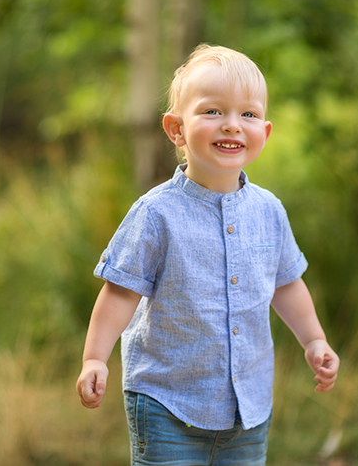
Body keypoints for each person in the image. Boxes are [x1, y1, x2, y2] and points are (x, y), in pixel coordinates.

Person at [76, 44, 339, 466]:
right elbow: (121, 292)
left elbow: (286, 283)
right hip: (166, 403)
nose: (232, 125)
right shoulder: (156, 213)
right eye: (213, 111)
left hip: (246, 408)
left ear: (265, 132)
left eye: (248, 114)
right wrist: (95, 358)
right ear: (176, 129)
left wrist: (314, 340)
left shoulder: (269, 211)